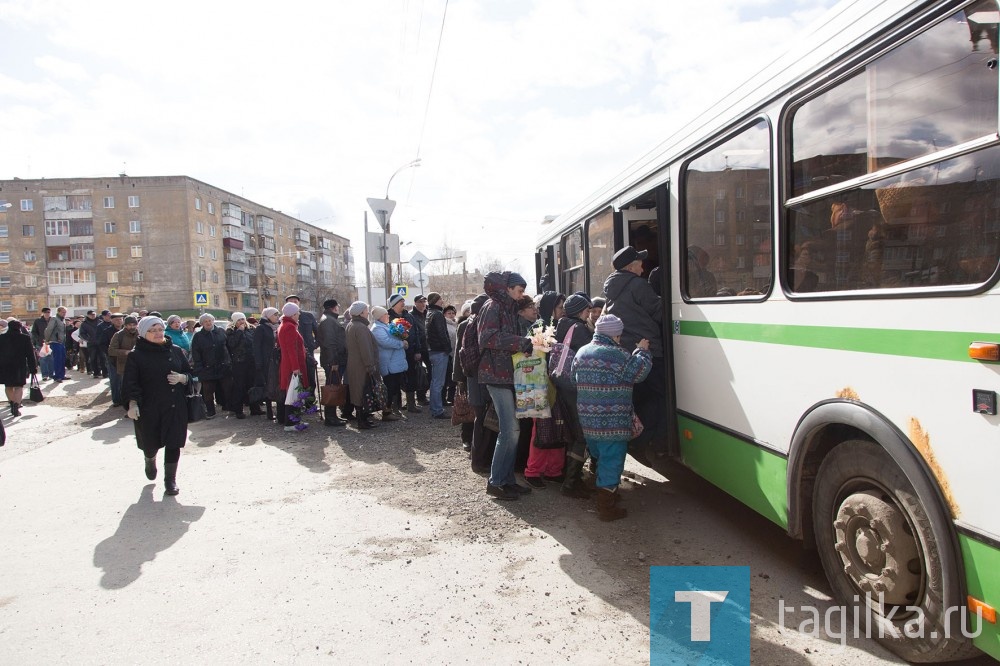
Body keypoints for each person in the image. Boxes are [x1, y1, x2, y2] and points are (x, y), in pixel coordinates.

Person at [571, 314, 652, 521]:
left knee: (599, 454)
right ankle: (606, 506)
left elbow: (573, 378)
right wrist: (642, 351)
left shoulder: (582, 352)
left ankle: (603, 490)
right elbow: (639, 372)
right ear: (616, 335)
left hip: (588, 420)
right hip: (613, 421)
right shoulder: (619, 355)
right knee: (612, 460)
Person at [604, 245, 667, 457]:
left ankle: (635, 440)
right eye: (640, 264)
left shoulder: (612, 288)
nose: (643, 268)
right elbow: (660, 313)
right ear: (631, 267)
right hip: (649, 349)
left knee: (638, 397)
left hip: (626, 351)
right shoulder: (638, 285)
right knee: (659, 398)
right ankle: (642, 442)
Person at [527, 292, 593, 493]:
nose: (561, 310)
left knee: (558, 430)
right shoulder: (543, 329)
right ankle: (535, 471)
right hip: (545, 386)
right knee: (543, 431)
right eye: (558, 307)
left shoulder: (557, 326)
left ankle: (554, 471)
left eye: (563, 307)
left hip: (555, 384)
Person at [477, 272, 535, 501]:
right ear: (508, 289)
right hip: (495, 374)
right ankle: (496, 482)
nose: (522, 295)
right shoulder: (493, 306)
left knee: (512, 431)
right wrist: (521, 342)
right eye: (520, 290)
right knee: (510, 430)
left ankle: (507, 479)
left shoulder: (507, 306)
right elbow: (487, 337)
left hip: (506, 374)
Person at [122, 316, 193, 496]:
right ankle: (149, 458)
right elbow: (130, 382)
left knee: (173, 442)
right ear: (144, 332)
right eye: (153, 331)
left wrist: (182, 378)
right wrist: (132, 404)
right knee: (150, 442)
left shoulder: (175, 351)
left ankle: (170, 480)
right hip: (149, 407)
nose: (158, 334)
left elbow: (190, 372)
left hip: (174, 404)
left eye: (160, 330)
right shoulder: (136, 355)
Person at [344, 301, 380, 430]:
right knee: (362, 392)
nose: (368, 312)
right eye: (366, 310)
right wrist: (370, 365)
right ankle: (361, 420)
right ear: (360, 313)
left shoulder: (351, 324)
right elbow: (365, 349)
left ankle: (362, 418)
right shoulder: (360, 327)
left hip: (355, 363)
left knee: (358, 391)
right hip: (362, 365)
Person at [190, 313, 231, 419]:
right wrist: (199, 367)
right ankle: (210, 411)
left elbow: (228, 346)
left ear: (213, 321)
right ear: (202, 323)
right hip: (207, 367)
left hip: (223, 366)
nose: (208, 323)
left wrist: (229, 361)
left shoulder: (221, 332)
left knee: (227, 388)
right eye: (205, 321)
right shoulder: (198, 336)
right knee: (208, 391)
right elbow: (196, 353)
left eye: (210, 320)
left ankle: (230, 407)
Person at [276, 302, 309, 432]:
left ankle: (294, 420)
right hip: (292, 366)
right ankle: (290, 423)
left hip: (289, 365)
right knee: (292, 394)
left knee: (294, 393)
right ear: (293, 314)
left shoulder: (285, 325)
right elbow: (291, 349)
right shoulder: (289, 327)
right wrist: (296, 368)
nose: (299, 314)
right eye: (297, 312)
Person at [389, 294, 424, 414]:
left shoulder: (408, 316)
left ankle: (411, 404)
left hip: (410, 352)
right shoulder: (388, 316)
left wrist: (417, 350)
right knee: (395, 379)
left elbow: (416, 334)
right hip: (394, 354)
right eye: (400, 302)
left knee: (411, 377)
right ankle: (396, 406)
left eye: (403, 301)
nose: (403, 303)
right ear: (394, 304)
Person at [370, 305, 406, 422]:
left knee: (394, 387)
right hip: (389, 363)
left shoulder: (386, 326)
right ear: (380, 317)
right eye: (385, 314)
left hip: (395, 363)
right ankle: (386, 411)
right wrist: (401, 343)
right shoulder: (377, 329)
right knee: (389, 387)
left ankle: (392, 409)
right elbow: (385, 342)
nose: (388, 316)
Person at [318, 299, 348, 427]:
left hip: (333, 360)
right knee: (332, 388)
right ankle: (330, 417)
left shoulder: (328, 319)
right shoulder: (328, 321)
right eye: (338, 306)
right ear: (334, 308)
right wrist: (334, 361)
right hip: (333, 361)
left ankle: (332, 416)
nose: (339, 308)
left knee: (334, 386)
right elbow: (330, 343)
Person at [0, 320, 38, 417]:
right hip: (19, 365)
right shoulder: (25, 338)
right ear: (19, 327)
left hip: (5, 365)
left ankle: (12, 403)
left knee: (8, 386)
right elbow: (30, 355)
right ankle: (16, 405)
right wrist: (33, 368)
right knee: (19, 387)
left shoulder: (2, 337)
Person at [424, 292, 451, 419]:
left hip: (432, 350)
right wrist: (447, 348)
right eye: (440, 299)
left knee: (434, 381)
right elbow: (442, 333)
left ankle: (434, 407)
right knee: (438, 382)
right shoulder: (438, 314)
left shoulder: (429, 313)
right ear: (436, 300)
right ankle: (437, 410)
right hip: (439, 351)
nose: (442, 301)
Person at [225, 312, 256, 419]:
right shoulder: (231, 332)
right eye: (238, 320)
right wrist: (239, 332)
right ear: (234, 322)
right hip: (239, 362)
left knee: (252, 385)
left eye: (242, 319)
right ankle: (238, 410)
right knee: (239, 386)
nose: (241, 322)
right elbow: (232, 344)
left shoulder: (251, 329)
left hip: (251, 361)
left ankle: (255, 408)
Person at [252, 307, 281, 421]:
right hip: (266, 361)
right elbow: (256, 347)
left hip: (276, 359)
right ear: (268, 316)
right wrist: (258, 363)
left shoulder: (277, 327)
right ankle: (269, 410)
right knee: (268, 384)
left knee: (277, 384)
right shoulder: (261, 328)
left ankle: (279, 410)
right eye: (275, 315)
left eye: (278, 315)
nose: (277, 317)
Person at [286, 295, 319, 392]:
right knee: (296, 381)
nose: (293, 303)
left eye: (295, 301)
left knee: (310, 380)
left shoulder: (308, 316)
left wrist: (314, 345)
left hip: (308, 353)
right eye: (290, 302)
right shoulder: (284, 319)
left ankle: (310, 405)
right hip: (293, 355)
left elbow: (318, 333)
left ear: (299, 303)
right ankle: (298, 405)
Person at [108, 316, 140, 409]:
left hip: (138, 364)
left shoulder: (141, 333)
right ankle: (127, 406)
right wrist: (125, 352)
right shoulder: (118, 335)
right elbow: (111, 350)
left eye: (134, 324)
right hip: (124, 365)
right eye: (130, 325)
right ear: (125, 325)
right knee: (126, 387)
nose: (132, 327)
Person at [410, 294, 431, 405]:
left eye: (424, 302)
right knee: (418, 373)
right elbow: (413, 334)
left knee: (430, 372)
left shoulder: (428, 313)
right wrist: (416, 350)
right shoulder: (411, 315)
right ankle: (419, 396)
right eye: (420, 302)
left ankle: (423, 393)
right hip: (418, 348)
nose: (422, 304)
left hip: (428, 348)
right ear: (415, 303)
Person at [44, 306, 69, 382]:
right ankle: (57, 376)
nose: (64, 314)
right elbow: (49, 329)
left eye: (65, 312)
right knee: (57, 360)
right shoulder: (54, 318)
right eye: (63, 312)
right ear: (58, 312)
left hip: (61, 342)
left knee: (62, 359)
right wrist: (47, 340)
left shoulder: (62, 319)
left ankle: (62, 375)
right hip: (55, 342)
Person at [31, 308, 53, 380]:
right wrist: (38, 339)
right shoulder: (38, 321)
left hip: (52, 342)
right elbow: (34, 332)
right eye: (46, 312)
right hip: (41, 343)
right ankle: (45, 375)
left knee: (51, 359)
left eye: (48, 312)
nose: (47, 314)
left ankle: (51, 374)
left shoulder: (53, 320)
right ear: (43, 313)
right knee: (43, 359)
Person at [443, 304, 458, 406]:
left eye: (453, 313)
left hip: (455, 354)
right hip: (448, 354)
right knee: (446, 377)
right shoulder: (445, 324)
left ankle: (451, 398)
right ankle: (444, 398)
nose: (451, 315)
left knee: (454, 378)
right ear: (444, 314)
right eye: (449, 313)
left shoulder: (456, 323)